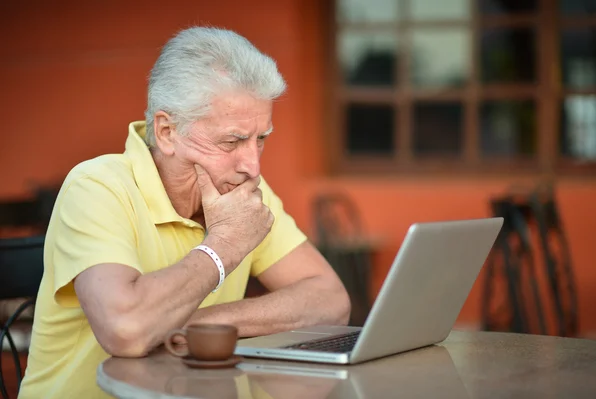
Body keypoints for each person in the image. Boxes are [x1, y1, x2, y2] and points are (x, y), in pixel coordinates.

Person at [19, 27, 351, 399]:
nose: (252, 166)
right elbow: (126, 330)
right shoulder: (96, 187)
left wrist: (190, 325)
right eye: (232, 140)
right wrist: (224, 245)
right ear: (166, 131)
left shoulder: (242, 190)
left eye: (261, 138)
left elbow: (331, 300)